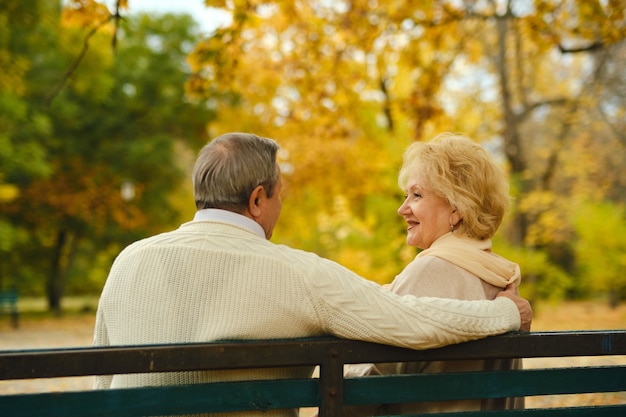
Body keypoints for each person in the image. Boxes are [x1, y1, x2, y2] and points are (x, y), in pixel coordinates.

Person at [93, 132, 532, 417]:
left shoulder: (128, 260)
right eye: (280, 195)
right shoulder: (298, 273)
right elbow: (410, 319)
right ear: (259, 199)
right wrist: (505, 315)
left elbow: (103, 379)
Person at [344, 132, 526, 416]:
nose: (402, 208)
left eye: (416, 195)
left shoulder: (433, 269)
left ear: (456, 208)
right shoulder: (502, 277)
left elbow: (366, 387)